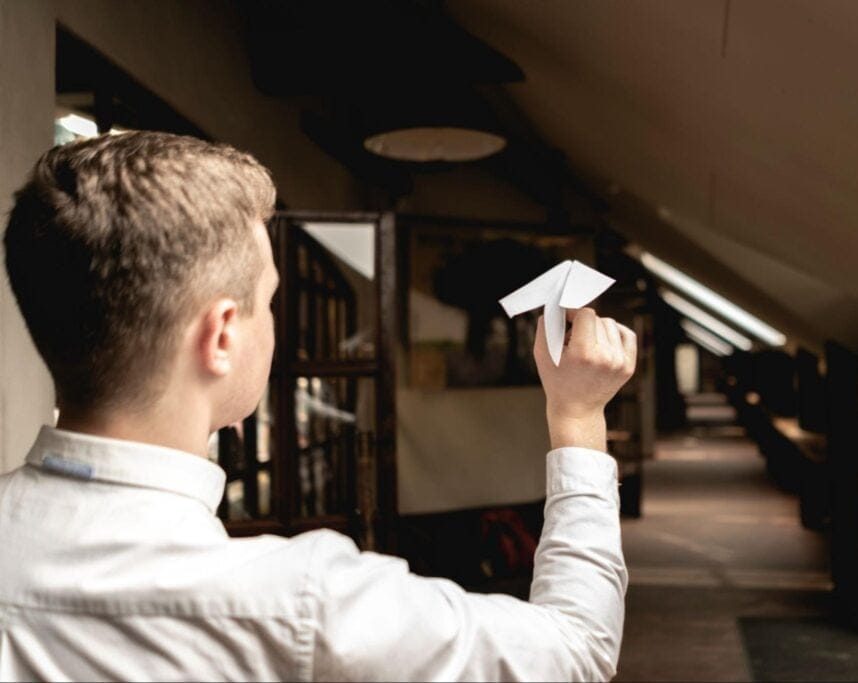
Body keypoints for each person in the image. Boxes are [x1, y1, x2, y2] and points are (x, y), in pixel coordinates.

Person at [0, 131, 636, 681]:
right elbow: (576, 651)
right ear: (221, 336)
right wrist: (578, 418)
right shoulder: (306, 602)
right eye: (269, 301)